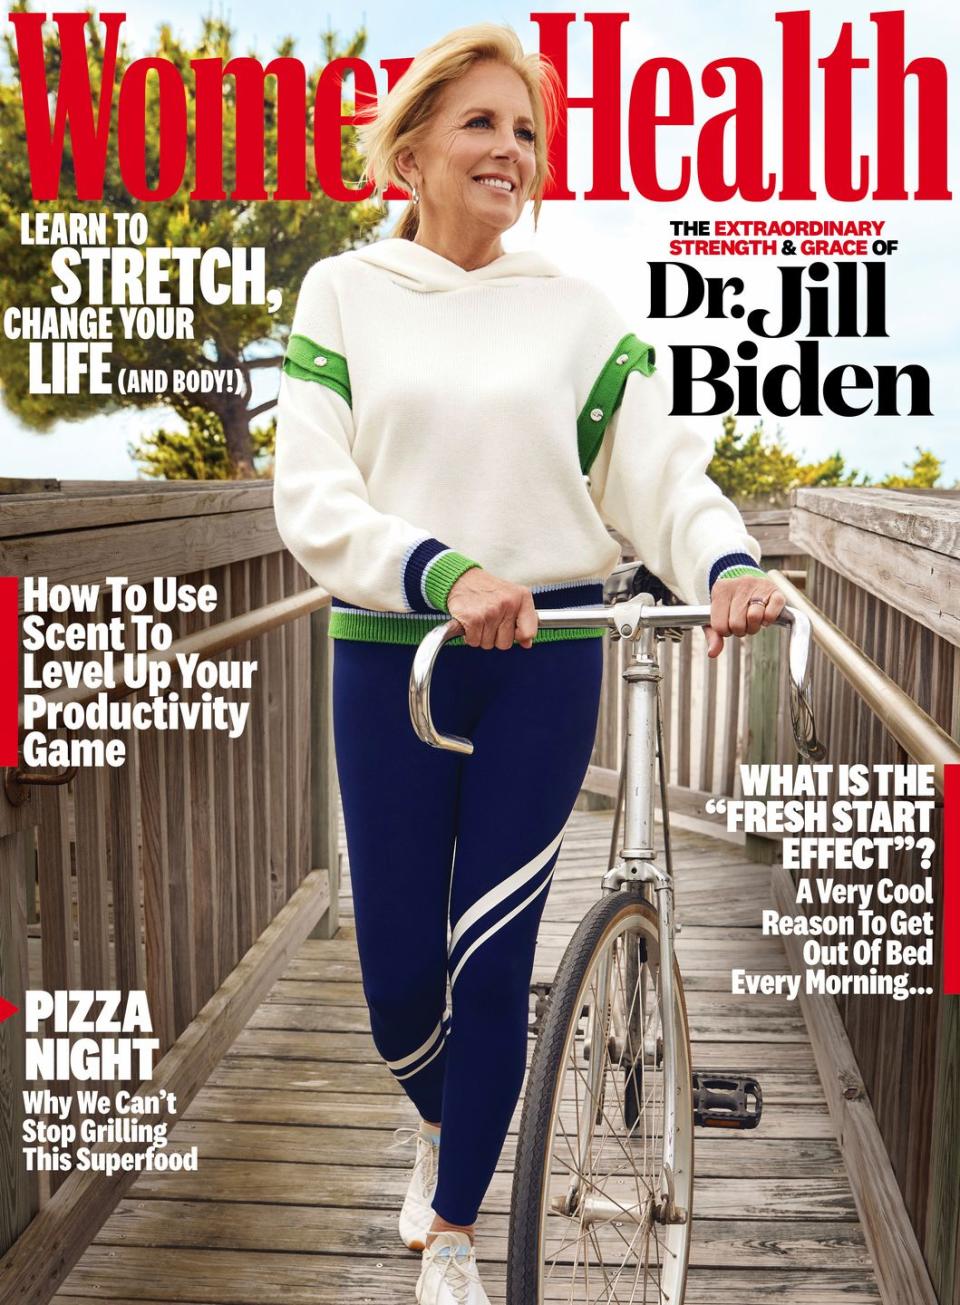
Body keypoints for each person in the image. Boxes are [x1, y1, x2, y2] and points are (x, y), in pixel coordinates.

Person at [272, 22, 784, 1305]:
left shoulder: (573, 314)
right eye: (483, 124)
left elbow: (661, 474)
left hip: (547, 659)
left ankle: (453, 1228)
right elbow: (313, 492)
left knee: (493, 952)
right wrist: (442, 570)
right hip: (397, 651)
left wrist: (722, 562)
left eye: (529, 132)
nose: (511, 150)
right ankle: (447, 1122)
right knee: (398, 976)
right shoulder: (344, 292)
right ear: (415, 146)